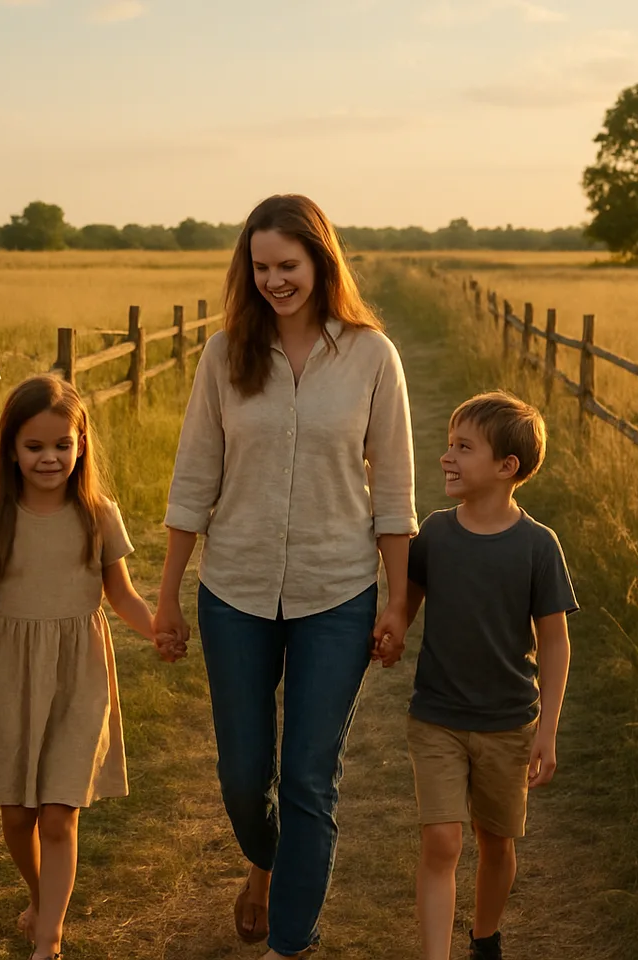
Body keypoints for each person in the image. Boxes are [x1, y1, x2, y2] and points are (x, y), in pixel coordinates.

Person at [155, 194, 417, 959]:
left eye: (288, 265)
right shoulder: (223, 353)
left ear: (321, 262)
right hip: (233, 591)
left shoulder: (372, 356)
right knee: (243, 775)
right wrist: (167, 594)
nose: (274, 280)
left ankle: (290, 943)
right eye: (261, 266)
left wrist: (398, 600)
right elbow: (192, 480)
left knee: (308, 776)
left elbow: (395, 491)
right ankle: (266, 869)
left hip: (337, 594)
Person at [0, 374, 176, 960]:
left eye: (62, 445)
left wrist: (158, 627)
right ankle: (39, 898)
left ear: (81, 444)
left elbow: (121, 595)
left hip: (80, 675)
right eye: (34, 446)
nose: (49, 458)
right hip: (8, 673)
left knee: (58, 815)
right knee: (16, 814)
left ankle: (48, 940)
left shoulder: (97, 514)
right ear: (10, 449)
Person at [379, 391, 576, 960]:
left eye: (463, 448)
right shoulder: (435, 534)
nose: (447, 457)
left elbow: (556, 643)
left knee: (496, 844)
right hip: (436, 716)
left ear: (505, 468)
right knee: (442, 841)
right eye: (448, 444)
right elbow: (405, 602)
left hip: (508, 724)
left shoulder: (539, 547)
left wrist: (547, 731)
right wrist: (390, 633)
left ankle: (484, 940)